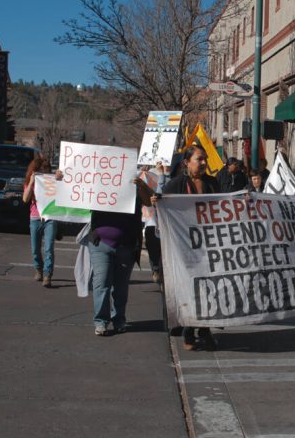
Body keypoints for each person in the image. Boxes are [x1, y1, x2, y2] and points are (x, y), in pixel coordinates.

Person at [59, 168, 154, 336]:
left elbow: (149, 202)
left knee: (120, 287)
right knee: (101, 283)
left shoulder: (134, 186)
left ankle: (118, 320)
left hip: (127, 244)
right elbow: (75, 194)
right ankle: (101, 321)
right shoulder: (97, 187)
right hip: (100, 243)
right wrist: (63, 179)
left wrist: (141, 186)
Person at [162, 145, 221, 351]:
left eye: (205, 159)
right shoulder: (175, 185)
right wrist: (155, 200)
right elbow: (160, 204)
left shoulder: (213, 184)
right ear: (187, 163)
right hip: (184, 248)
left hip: (209, 246)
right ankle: (189, 328)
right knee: (190, 288)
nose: (204, 163)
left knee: (209, 288)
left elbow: (226, 205)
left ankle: (205, 329)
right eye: (199, 159)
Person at [22, 158, 57, 288]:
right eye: (40, 171)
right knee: (35, 248)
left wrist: (58, 177)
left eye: (46, 170)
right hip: (35, 217)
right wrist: (32, 181)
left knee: (49, 247)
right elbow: (25, 199)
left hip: (50, 218)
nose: (43, 173)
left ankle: (48, 274)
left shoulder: (53, 181)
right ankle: (38, 269)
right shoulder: (30, 182)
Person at [140, 161, 167, 283]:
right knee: (153, 246)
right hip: (151, 219)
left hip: (166, 219)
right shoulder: (147, 173)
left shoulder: (172, 177)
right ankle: (155, 268)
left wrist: (163, 175)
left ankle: (160, 270)